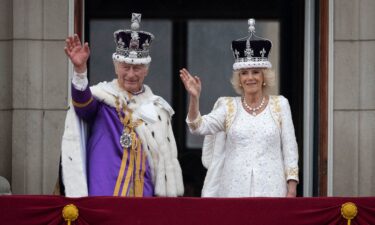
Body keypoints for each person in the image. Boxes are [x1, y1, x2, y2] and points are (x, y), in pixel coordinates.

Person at [57, 13, 184, 197]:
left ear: (146, 70)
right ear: (116, 67)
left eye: (137, 68)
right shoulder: (103, 99)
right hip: (105, 189)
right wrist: (79, 71)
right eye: (125, 67)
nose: (131, 74)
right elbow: (83, 106)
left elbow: (162, 162)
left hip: (143, 193)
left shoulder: (158, 109)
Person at [180, 18, 298, 197]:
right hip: (234, 191)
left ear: (264, 76)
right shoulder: (228, 107)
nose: (250, 77)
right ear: (239, 79)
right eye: (244, 73)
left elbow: (290, 149)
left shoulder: (280, 105)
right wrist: (194, 98)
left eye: (255, 72)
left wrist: (291, 187)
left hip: (272, 190)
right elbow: (198, 126)